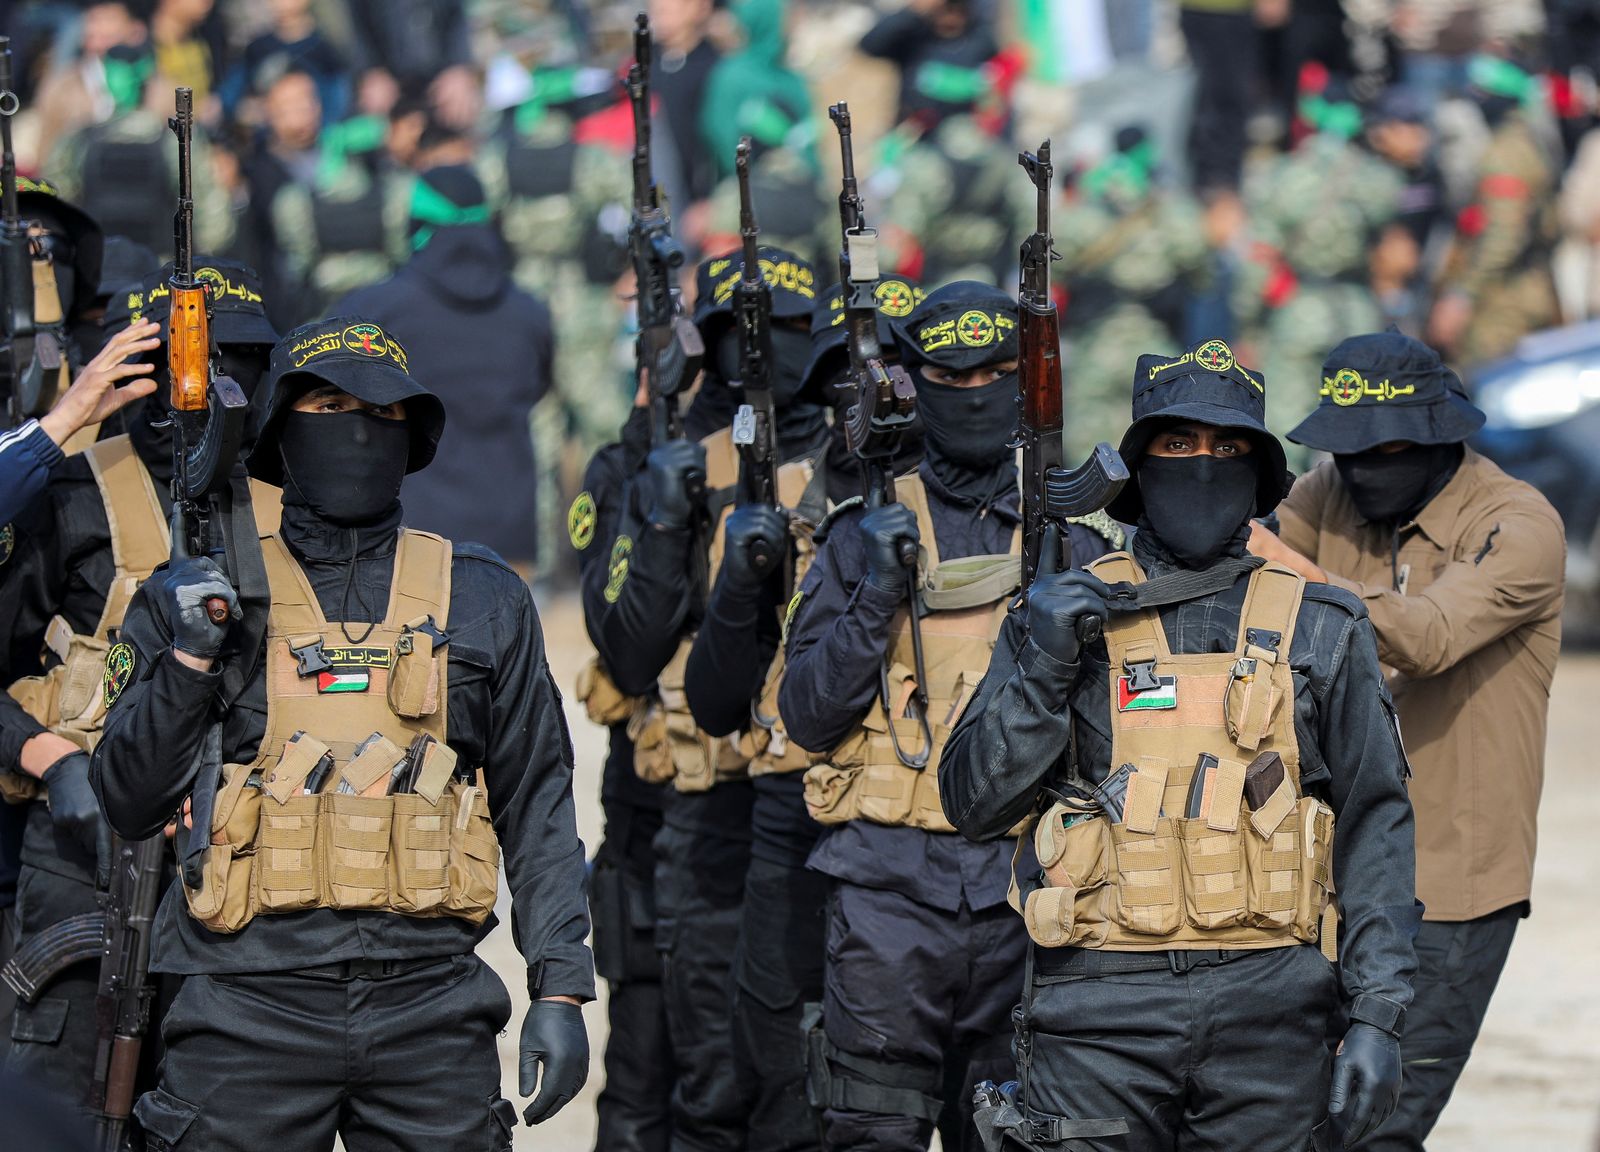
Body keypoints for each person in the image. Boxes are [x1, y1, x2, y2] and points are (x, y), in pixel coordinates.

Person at [90, 314, 592, 1149]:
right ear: (279, 434)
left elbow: (538, 797)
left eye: (384, 413)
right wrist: (188, 658)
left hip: (433, 1012)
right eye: (327, 406)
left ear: (413, 436)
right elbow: (129, 799)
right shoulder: (207, 591)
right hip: (242, 1012)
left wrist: (561, 989)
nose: (358, 430)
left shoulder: (480, 595)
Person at [938, 339, 1419, 1151]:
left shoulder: (1324, 627)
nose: (1203, 465)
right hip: (1096, 1015)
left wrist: (1378, 1015)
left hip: (1273, 1015)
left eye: (1229, 448)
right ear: (1139, 469)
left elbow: (1376, 827)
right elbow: (977, 806)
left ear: (1260, 475)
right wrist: (1044, 661)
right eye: (1176, 445)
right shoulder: (1069, 615)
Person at [778, 282, 1117, 1152]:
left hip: (1031, 900)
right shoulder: (865, 531)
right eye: (948, 377)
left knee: (1012, 1134)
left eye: (999, 373)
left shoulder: (1073, 540)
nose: (973, 395)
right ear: (913, 384)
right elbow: (807, 716)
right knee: (870, 1129)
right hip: (888, 899)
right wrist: (875, 601)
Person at [1249, 331, 1565, 1150]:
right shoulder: (1330, 492)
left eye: (1383, 449)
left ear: (1441, 434)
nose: (1360, 469)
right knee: (1287, 1120)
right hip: (1326, 872)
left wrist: (1280, 563)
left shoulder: (1519, 525)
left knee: (1374, 1130)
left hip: (1451, 885)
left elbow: (1425, 637)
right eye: (1345, 450)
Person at [0, 257, 276, 1104]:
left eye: (236, 368)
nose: (204, 389)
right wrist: (52, 758)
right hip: (80, 854)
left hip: (239, 861)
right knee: (69, 1096)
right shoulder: (77, 493)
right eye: (186, 364)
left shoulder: (291, 505)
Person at [587, 245, 824, 1152]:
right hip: (705, 808)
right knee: (706, 1085)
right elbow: (630, 646)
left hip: (845, 817)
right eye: (750, 332)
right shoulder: (671, 463)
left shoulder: (864, 461)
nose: (772, 352)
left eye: (799, 330)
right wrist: (661, 522)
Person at [679, 250, 840, 1152]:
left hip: (933, 832)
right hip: (749, 801)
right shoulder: (730, 480)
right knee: (741, 1085)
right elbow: (702, 686)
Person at [336, 165, 553, 578]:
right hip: (511, 534)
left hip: (413, 535)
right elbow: (541, 386)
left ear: (417, 222)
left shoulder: (372, 312)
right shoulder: (531, 311)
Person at [1235, 75, 1400, 465]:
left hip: (1298, 312)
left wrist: (1248, 327)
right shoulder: (1376, 178)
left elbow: (1259, 259)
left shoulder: (1284, 176)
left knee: (1287, 428)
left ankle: (1287, 519)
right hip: (1356, 311)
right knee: (1356, 423)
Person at [1056, 126, 1209, 460]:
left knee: (1088, 448)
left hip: (1097, 342)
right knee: (1157, 444)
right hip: (1155, 349)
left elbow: (1054, 264)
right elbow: (1201, 269)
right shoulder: (1170, 211)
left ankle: (1091, 513)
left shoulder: (1090, 206)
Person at [1429, 54, 1561, 365]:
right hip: (1517, 293)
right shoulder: (1525, 141)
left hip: (1504, 302)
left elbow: (1503, 236)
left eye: (1483, 92)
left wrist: (1462, 295)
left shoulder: (1507, 153)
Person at [859, 0, 1000, 127]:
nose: (951, 15)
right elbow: (869, 46)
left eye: (957, 7)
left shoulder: (981, 40)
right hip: (915, 130)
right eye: (945, 8)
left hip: (963, 131)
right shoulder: (914, 38)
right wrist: (913, 10)